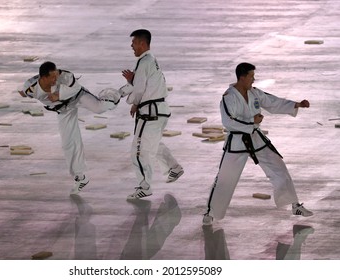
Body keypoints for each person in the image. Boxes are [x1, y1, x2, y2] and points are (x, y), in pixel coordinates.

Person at [203, 62, 313, 225]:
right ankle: (211, 213)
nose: (253, 80)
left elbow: (272, 102)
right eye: (251, 76)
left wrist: (295, 104)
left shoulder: (253, 93)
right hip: (237, 142)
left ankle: (295, 205)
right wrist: (251, 121)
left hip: (255, 137)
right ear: (242, 77)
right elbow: (228, 122)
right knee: (226, 178)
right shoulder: (228, 97)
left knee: (278, 167)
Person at [18, 61, 122, 195]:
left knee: (99, 108)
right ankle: (80, 177)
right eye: (52, 77)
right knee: (68, 142)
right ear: (43, 78)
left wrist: (58, 95)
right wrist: (23, 93)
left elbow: (76, 88)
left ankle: (114, 95)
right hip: (63, 110)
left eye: (56, 75)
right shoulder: (30, 88)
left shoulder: (65, 76)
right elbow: (26, 92)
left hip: (77, 97)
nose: (56, 79)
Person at [120, 29, 184, 200]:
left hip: (151, 113)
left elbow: (139, 89)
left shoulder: (144, 61)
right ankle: (174, 168)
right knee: (153, 144)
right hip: (159, 110)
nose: (131, 46)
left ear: (142, 43)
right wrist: (134, 89)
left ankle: (145, 186)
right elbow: (145, 84)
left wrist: (132, 100)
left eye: (133, 43)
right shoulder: (151, 61)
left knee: (138, 151)